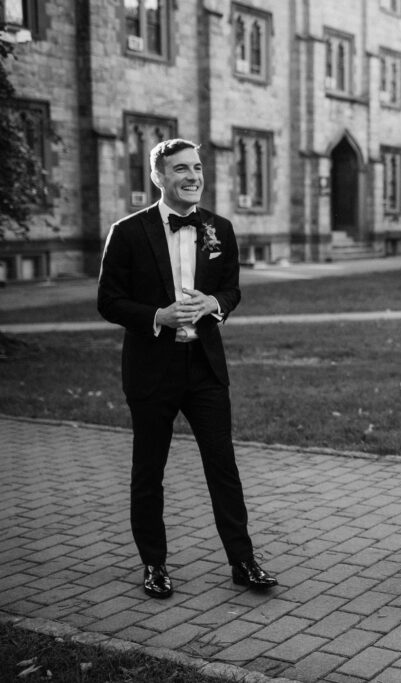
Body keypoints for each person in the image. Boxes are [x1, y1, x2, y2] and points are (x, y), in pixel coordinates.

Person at [97, 138, 277, 599]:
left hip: (205, 370)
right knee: (148, 472)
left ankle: (243, 561)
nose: (193, 176)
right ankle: (154, 565)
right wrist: (156, 316)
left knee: (223, 466)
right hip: (151, 371)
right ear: (158, 177)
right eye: (181, 169)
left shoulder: (220, 228)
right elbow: (108, 301)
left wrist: (214, 302)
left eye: (197, 167)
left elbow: (233, 289)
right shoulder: (128, 231)